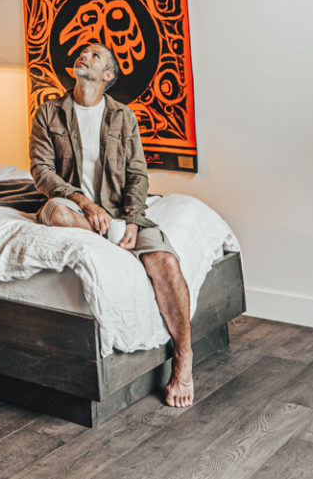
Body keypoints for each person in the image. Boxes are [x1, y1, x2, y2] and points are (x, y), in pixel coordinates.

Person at [30, 42, 196, 408]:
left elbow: (138, 174)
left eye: (94, 55)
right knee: (55, 214)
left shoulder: (123, 117)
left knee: (166, 263)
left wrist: (134, 219)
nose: (83, 56)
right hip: (73, 205)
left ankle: (184, 359)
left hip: (120, 211)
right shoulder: (48, 113)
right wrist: (84, 202)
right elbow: (41, 171)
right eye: (82, 52)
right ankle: (110, 238)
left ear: (107, 76)